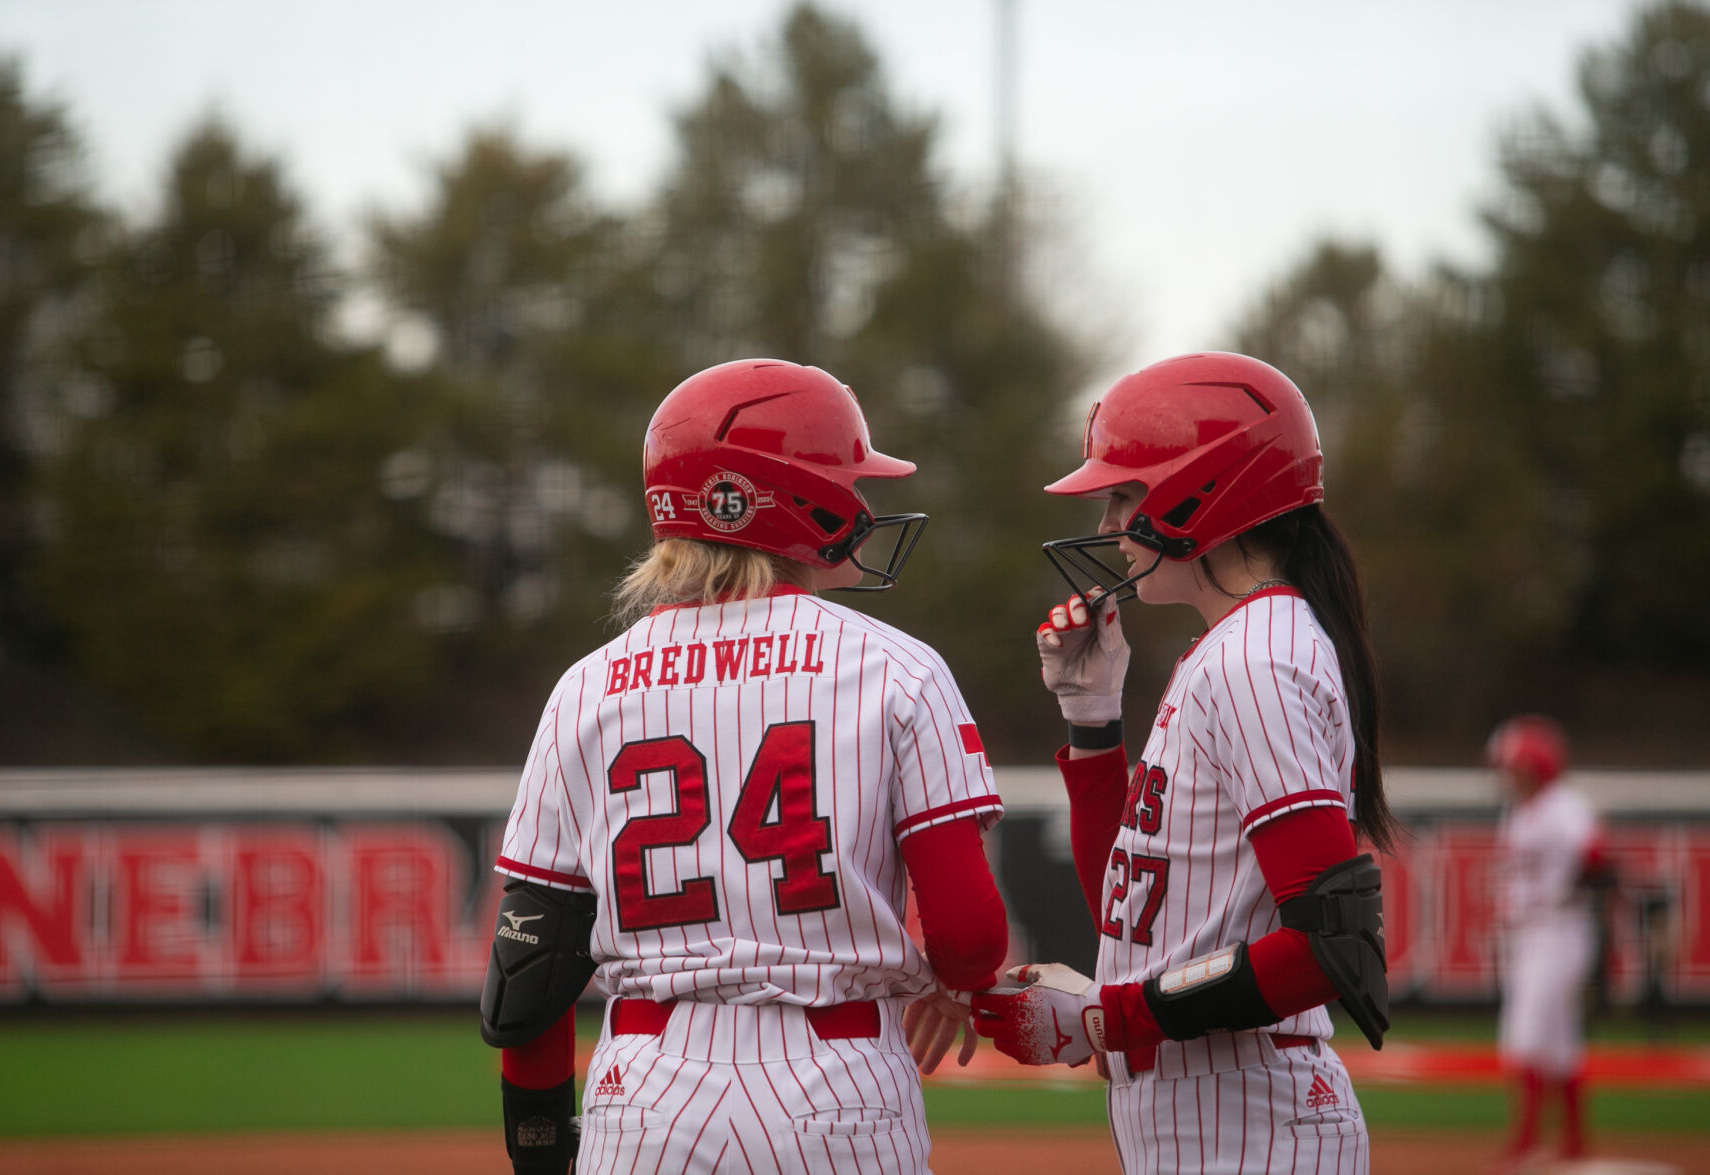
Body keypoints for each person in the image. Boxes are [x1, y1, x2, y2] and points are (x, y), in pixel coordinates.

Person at [480, 357, 1009, 1174]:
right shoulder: (895, 666)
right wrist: (954, 976)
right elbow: (971, 937)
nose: (862, 504)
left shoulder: (586, 685)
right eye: (845, 478)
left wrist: (537, 1141)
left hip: (647, 1082)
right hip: (836, 1078)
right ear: (781, 495)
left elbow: (532, 966)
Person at [913, 351, 1399, 1173]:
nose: (1106, 523)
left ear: (1205, 491)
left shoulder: (1254, 657)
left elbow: (1329, 947)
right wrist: (1093, 720)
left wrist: (1110, 1017)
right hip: (1224, 1112)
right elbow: (1133, 904)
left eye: (1123, 493)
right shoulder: (1234, 646)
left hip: (1248, 1119)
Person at [1487, 714, 1611, 1168]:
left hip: (1558, 930)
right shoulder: (1521, 810)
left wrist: (1575, 884)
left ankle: (1527, 1140)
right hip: (1530, 933)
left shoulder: (1563, 805)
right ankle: (1574, 1142)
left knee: (1526, 1034)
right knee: (1558, 1042)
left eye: (1517, 765)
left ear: (1538, 766)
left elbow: (1595, 851)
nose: (1508, 774)